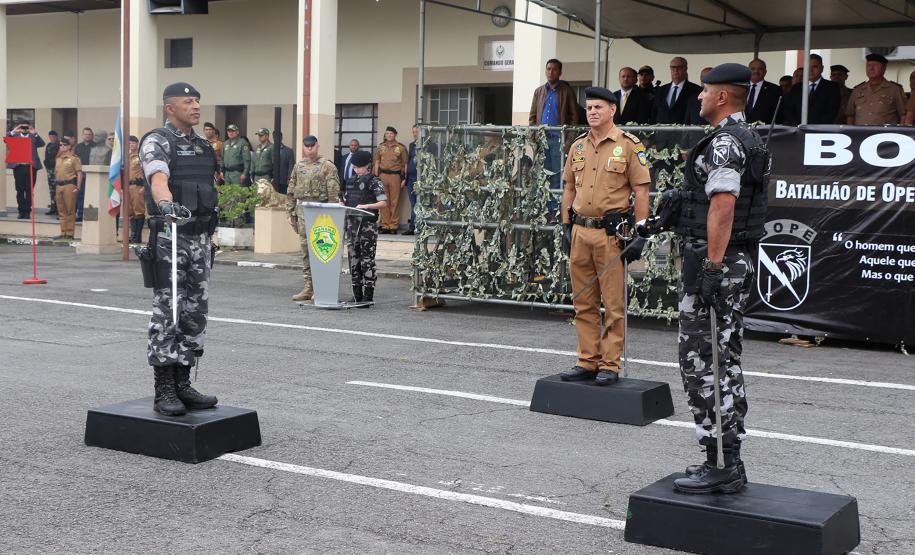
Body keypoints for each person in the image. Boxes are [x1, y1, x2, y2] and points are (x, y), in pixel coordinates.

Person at [668, 63, 768, 494]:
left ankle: (721, 462)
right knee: (721, 361)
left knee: (703, 363)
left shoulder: (727, 142)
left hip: (720, 265)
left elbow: (723, 207)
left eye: (706, 91)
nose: (700, 97)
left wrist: (710, 267)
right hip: (731, 261)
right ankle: (725, 459)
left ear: (723, 96)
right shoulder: (746, 136)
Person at [559, 87, 650, 386]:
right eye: (589, 107)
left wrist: (641, 232)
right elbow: (569, 188)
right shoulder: (578, 147)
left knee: (613, 304)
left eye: (599, 106)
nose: (593, 111)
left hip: (611, 235)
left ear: (613, 110)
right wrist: (564, 225)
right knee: (583, 301)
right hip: (581, 231)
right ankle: (587, 360)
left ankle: (609, 364)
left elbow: (641, 190)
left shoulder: (628, 145)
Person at [140, 82, 219, 417]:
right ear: (170, 108)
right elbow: (158, 178)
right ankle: (165, 389)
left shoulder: (204, 146)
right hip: (171, 236)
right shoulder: (158, 140)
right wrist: (167, 205)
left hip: (200, 238)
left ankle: (184, 382)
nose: (196, 106)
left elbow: (209, 187)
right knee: (168, 309)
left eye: (198, 100)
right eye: (189, 101)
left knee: (195, 312)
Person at [286, 135, 341, 302]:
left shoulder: (327, 166)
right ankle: (308, 287)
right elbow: (291, 189)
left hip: (321, 213)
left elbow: (333, 192)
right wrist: (290, 213)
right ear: (303, 147)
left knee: (321, 249)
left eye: (312, 146)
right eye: (306, 147)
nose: (309, 149)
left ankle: (321, 286)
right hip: (303, 212)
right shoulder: (298, 166)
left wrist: (331, 216)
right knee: (305, 250)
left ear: (317, 146)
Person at [342, 150, 388, 305]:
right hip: (352, 226)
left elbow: (383, 202)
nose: (357, 170)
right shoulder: (350, 181)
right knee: (353, 261)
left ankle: (368, 296)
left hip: (367, 227)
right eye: (355, 167)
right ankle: (356, 295)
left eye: (359, 168)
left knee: (366, 261)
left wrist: (367, 206)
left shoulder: (374, 181)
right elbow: (347, 201)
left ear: (366, 166)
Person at [846, 53, 907, 126]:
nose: (871, 68)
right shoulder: (857, 90)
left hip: (885, 135)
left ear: (884, 68)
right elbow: (850, 115)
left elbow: (904, 115)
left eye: (875, 65)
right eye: (868, 66)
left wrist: (899, 133)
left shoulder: (895, 90)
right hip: (861, 134)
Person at [783, 54, 840, 125]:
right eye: (808, 67)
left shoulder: (832, 87)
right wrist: (798, 126)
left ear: (822, 68)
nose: (811, 70)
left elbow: (832, 111)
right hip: (798, 130)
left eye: (815, 67)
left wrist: (814, 128)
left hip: (821, 131)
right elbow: (789, 110)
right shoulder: (796, 88)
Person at [373, 126, 408, 234]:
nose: (389, 135)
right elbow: (376, 162)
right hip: (382, 176)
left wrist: (404, 179)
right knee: (383, 200)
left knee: (395, 201)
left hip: (395, 176)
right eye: (387, 133)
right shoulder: (380, 147)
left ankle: (393, 225)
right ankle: (384, 224)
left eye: (391, 133)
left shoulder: (401, 148)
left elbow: (405, 165)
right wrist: (376, 177)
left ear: (395, 134)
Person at [7, 122, 45, 219]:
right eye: (22, 127)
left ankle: (27, 211)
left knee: (29, 190)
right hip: (19, 167)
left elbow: (42, 144)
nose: (24, 129)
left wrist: (35, 133)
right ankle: (21, 211)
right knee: (19, 190)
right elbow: (6, 140)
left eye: (26, 127)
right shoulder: (15, 136)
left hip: (31, 167)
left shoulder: (33, 136)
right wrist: (14, 131)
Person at [528, 59, 579, 126]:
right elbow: (532, 117)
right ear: (545, 71)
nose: (551, 72)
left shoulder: (568, 91)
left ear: (560, 73)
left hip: (561, 135)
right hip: (541, 135)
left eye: (554, 70)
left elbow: (574, 117)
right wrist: (534, 134)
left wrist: (569, 135)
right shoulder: (538, 92)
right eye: (548, 69)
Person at [652, 57, 702, 124]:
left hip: (684, 131)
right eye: (673, 68)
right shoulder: (660, 90)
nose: (676, 70)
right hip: (662, 131)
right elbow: (654, 114)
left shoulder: (696, 90)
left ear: (686, 69)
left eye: (679, 67)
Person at [53, 138, 81, 239]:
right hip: (59, 185)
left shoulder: (74, 158)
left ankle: (70, 233)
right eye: (60, 145)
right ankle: (63, 232)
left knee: (70, 210)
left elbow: (79, 172)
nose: (62, 147)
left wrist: (78, 187)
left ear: (69, 146)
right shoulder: (58, 158)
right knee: (61, 210)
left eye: (64, 145)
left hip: (69, 185)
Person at [746, 58, 782, 124]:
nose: (756, 71)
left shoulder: (775, 90)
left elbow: (779, 114)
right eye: (753, 69)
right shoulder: (740, 88)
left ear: (765, 72)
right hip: (741, 131)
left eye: (760, 69)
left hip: (764, 131)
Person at [126, 135, 146, 243]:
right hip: (128, 187)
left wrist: (144, 187)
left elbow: (146, 172)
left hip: (138, 186)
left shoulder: (141, 156)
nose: (131, 145)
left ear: (137, 144)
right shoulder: (126, 156)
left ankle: (137, 237)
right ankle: (133, 235)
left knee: (139, 211)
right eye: (129, 143)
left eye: (133, 143)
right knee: (131, 212)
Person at [74, 127, 94, 221]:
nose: (87, 136)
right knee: (80, 195)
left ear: (92, 135)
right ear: (82, 135)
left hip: (93, 176)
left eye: (89, 134)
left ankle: (90, 217)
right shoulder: (78, 147)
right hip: (80, 176)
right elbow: (74, 160)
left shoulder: (96, 146)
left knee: (92, 197)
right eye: (85, 134)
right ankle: (80, 215)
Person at [404, 126, 419, 235]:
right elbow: (408, 161)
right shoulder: (411, 145)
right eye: (413, 132)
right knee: (413, 203)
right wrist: (405, 178)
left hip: (421, 180)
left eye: (416, 131)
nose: (414, 134)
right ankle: (412, 227)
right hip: (411, 178)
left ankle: (418, 227)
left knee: (420, 204)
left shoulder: (429, 145)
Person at [44, 131, 60, 216]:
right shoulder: (49, 145)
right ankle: (53, 208)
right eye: (50, 136)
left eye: (53, 136)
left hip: (56, 170)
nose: (51, 138)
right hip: (49, 169)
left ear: (56, 137)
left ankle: (58, 209)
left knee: (57, 189)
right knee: (51, 190)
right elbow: (47, 156)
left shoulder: (59, 145)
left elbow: (55, 156)